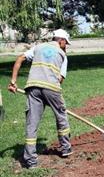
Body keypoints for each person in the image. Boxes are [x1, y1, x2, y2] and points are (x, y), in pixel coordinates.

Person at [8, 29, 73, 168]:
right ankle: (66, 148)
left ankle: (31, 161)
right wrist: (50, 97)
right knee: (61, 115)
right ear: (61, 41)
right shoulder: (62, 55)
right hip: (52, 88)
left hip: (33, 87)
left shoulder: (38, 47)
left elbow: (20, 58)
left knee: (32, 123)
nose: (65, 46)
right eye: (65, 43)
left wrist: (13, 82)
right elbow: (60, 79)